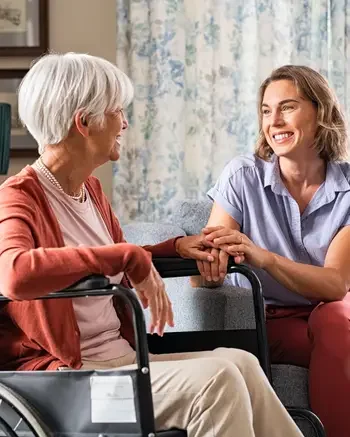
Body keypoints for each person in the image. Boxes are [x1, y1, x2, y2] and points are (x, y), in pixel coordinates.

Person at [0, 53, 303, 437]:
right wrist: (126, 254)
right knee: (217, 381)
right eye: (117, 111)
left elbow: (107, 262)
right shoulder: (19, 196)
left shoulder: (88, 191)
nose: (124, 123)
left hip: (120, 362)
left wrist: (175, 248)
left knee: (240, 361)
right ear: (84, 122)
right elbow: (13, 274)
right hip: (71, 385)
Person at [197, 65, 350, 437]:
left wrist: (262, 256)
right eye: (266, 110)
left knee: (333, 319)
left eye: (288, 107)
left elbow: (335, 285)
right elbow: (208, 256)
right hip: (273, 319)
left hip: (331, 313)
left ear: (321, 113)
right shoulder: (242, 176)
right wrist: (211, 265)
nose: (274, 120)